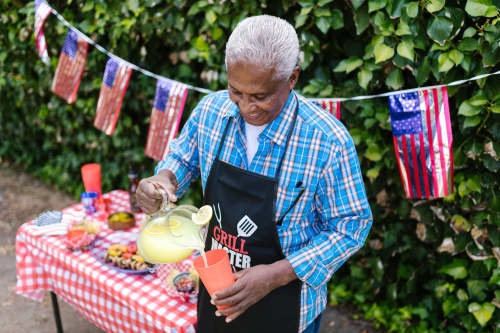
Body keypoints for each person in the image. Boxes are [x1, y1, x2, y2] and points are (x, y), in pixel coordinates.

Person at [136, 15, 373, 333]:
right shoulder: (211, 112)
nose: (246, 107)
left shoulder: (327, 140)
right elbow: (181, 159)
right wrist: (163, 180)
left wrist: (276, 274)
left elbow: (350, 227)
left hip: (289, 309)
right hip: (216, 296)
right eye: (236, 92)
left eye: (260, 96)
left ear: (292, 78)